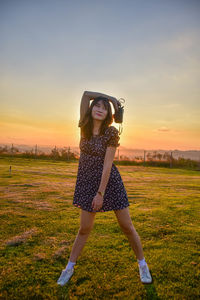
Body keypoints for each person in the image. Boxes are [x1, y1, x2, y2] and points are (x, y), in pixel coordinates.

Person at [57, 91, 153, 286]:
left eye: (104, 107)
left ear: (109, 113)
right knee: (84, 229)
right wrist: (111, 99)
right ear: (91, 109)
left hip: (109, 182)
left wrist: (100, 193)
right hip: (86, 181)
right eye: (97, 105)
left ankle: (142, 265)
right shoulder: (84, 125)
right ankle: (69, 268)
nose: (100, 109)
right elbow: (85, 95)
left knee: (126, 226)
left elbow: (108, 165)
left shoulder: (111, 132)